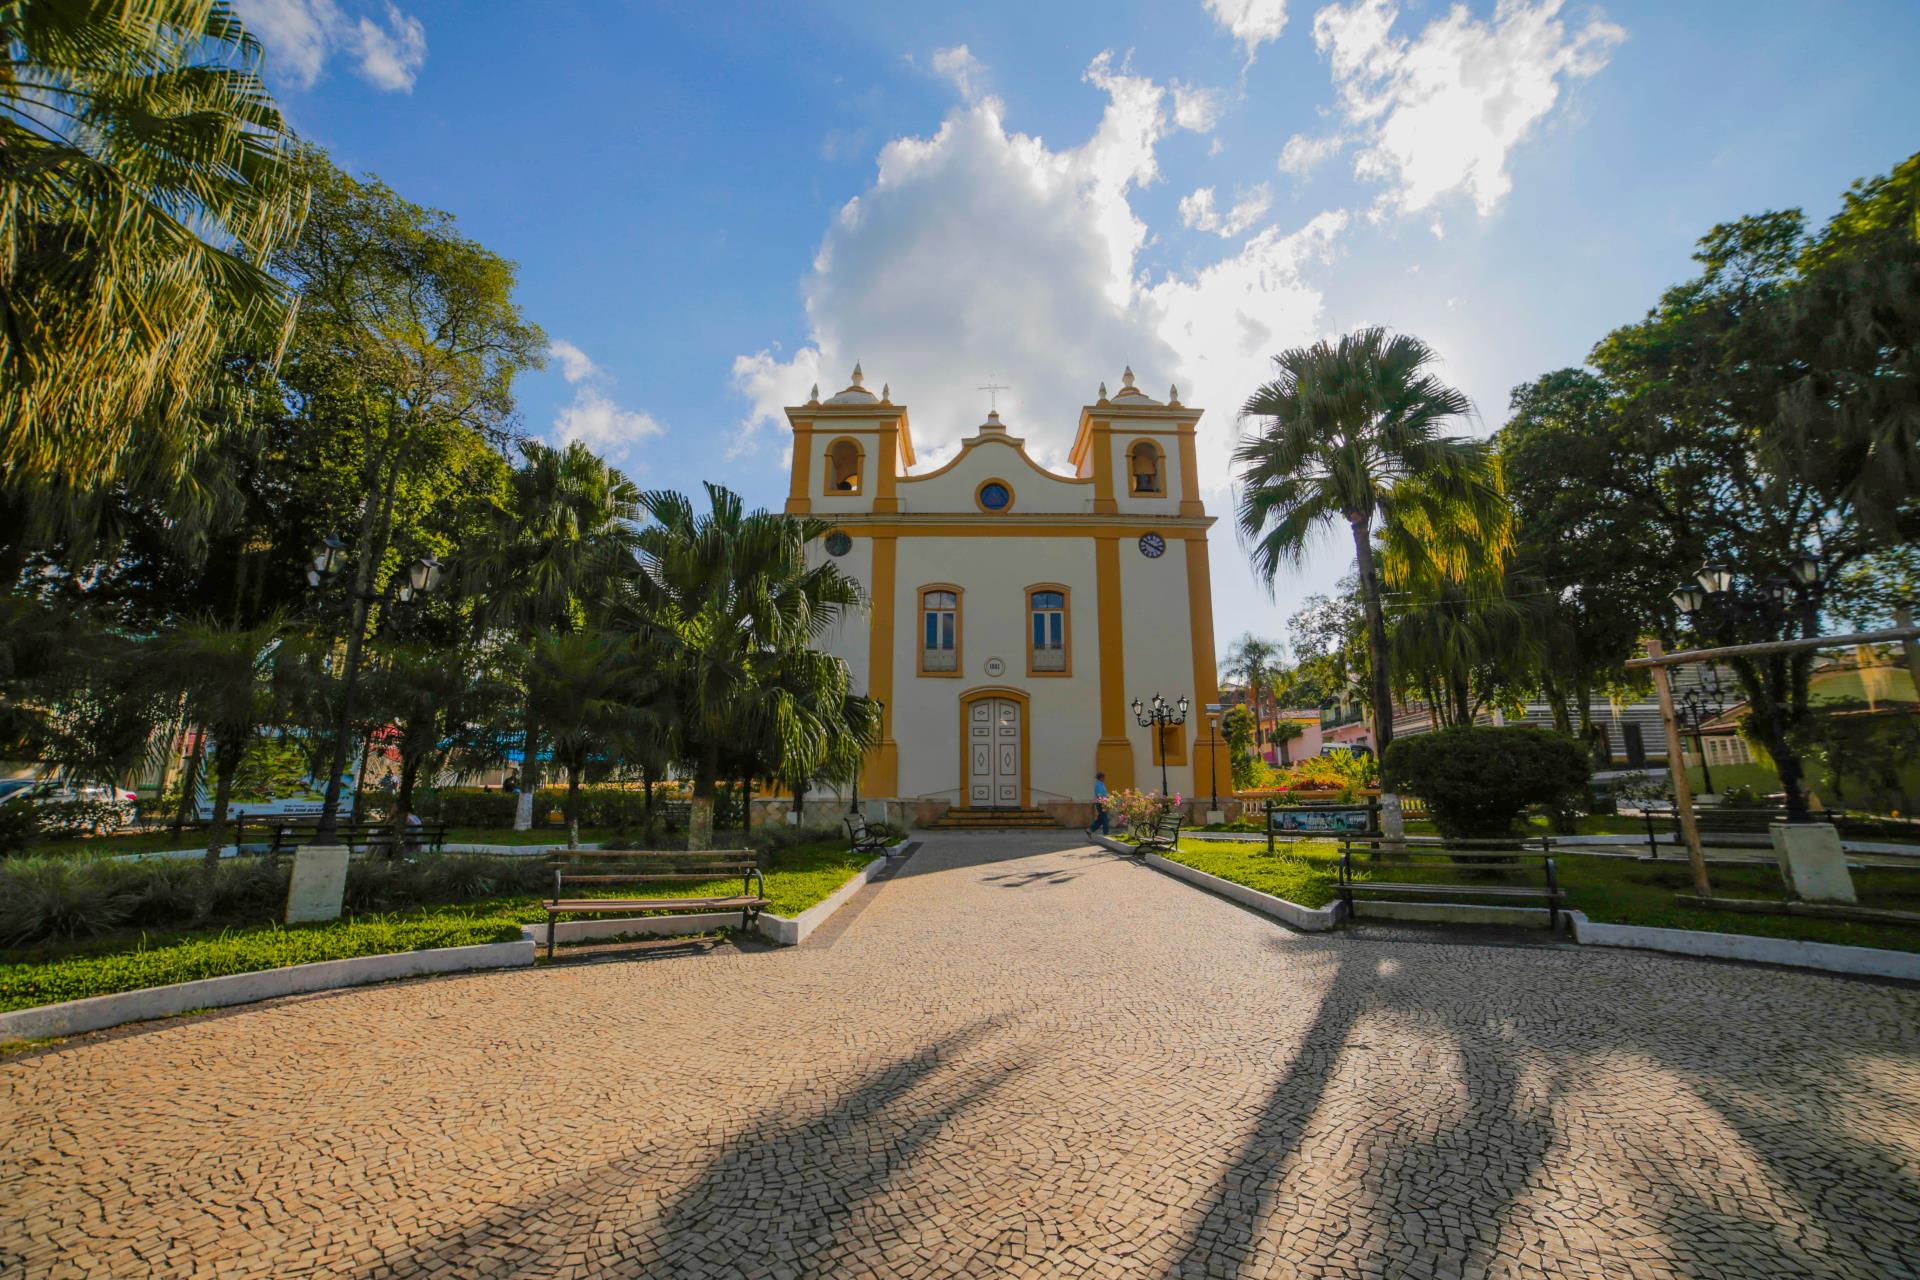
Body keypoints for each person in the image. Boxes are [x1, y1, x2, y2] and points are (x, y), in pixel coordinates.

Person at [1086, 771, 1110, 836]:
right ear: (1101, 777)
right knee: (1105, 819)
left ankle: (1090, 830)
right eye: (1104, 777)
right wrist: (1103, 801)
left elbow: (1104, 794)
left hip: (1103, 802)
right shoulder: (1098, 785)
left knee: (1101, 819)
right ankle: (1106, 834)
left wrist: (1107, 798)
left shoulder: (1101, 784)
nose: (1105, 778)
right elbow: (1099, 794)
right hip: (1101, 803)